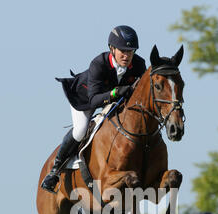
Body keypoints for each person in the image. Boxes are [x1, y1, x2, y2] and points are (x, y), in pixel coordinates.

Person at [41, 25, 146, 193]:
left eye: (130, 51)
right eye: (122, 51)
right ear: (112, 49)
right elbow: (95, 99)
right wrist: (116, 92)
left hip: (115, 102)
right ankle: (55, 170)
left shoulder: (139, 64)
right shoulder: (99, 64)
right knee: (81, 130)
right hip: (85, 99)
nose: (126, 56)